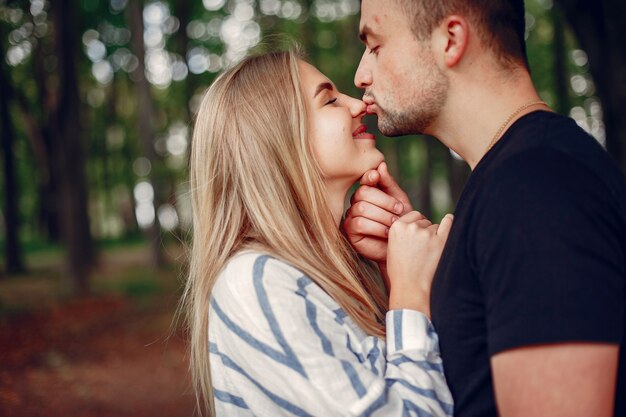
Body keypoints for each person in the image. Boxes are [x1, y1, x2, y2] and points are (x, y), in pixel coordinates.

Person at [344, 1, 626, 416]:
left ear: (451, 40)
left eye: (376, 45)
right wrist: (407, 270)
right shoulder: (512, 181)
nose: (360, 75)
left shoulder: (536, 187)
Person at [182, 49, 456, 417]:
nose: (359, 105)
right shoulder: (258, 282)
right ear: (279, 141)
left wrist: (396, 272)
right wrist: (409, 297)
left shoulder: (331, 274)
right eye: (329, 100)